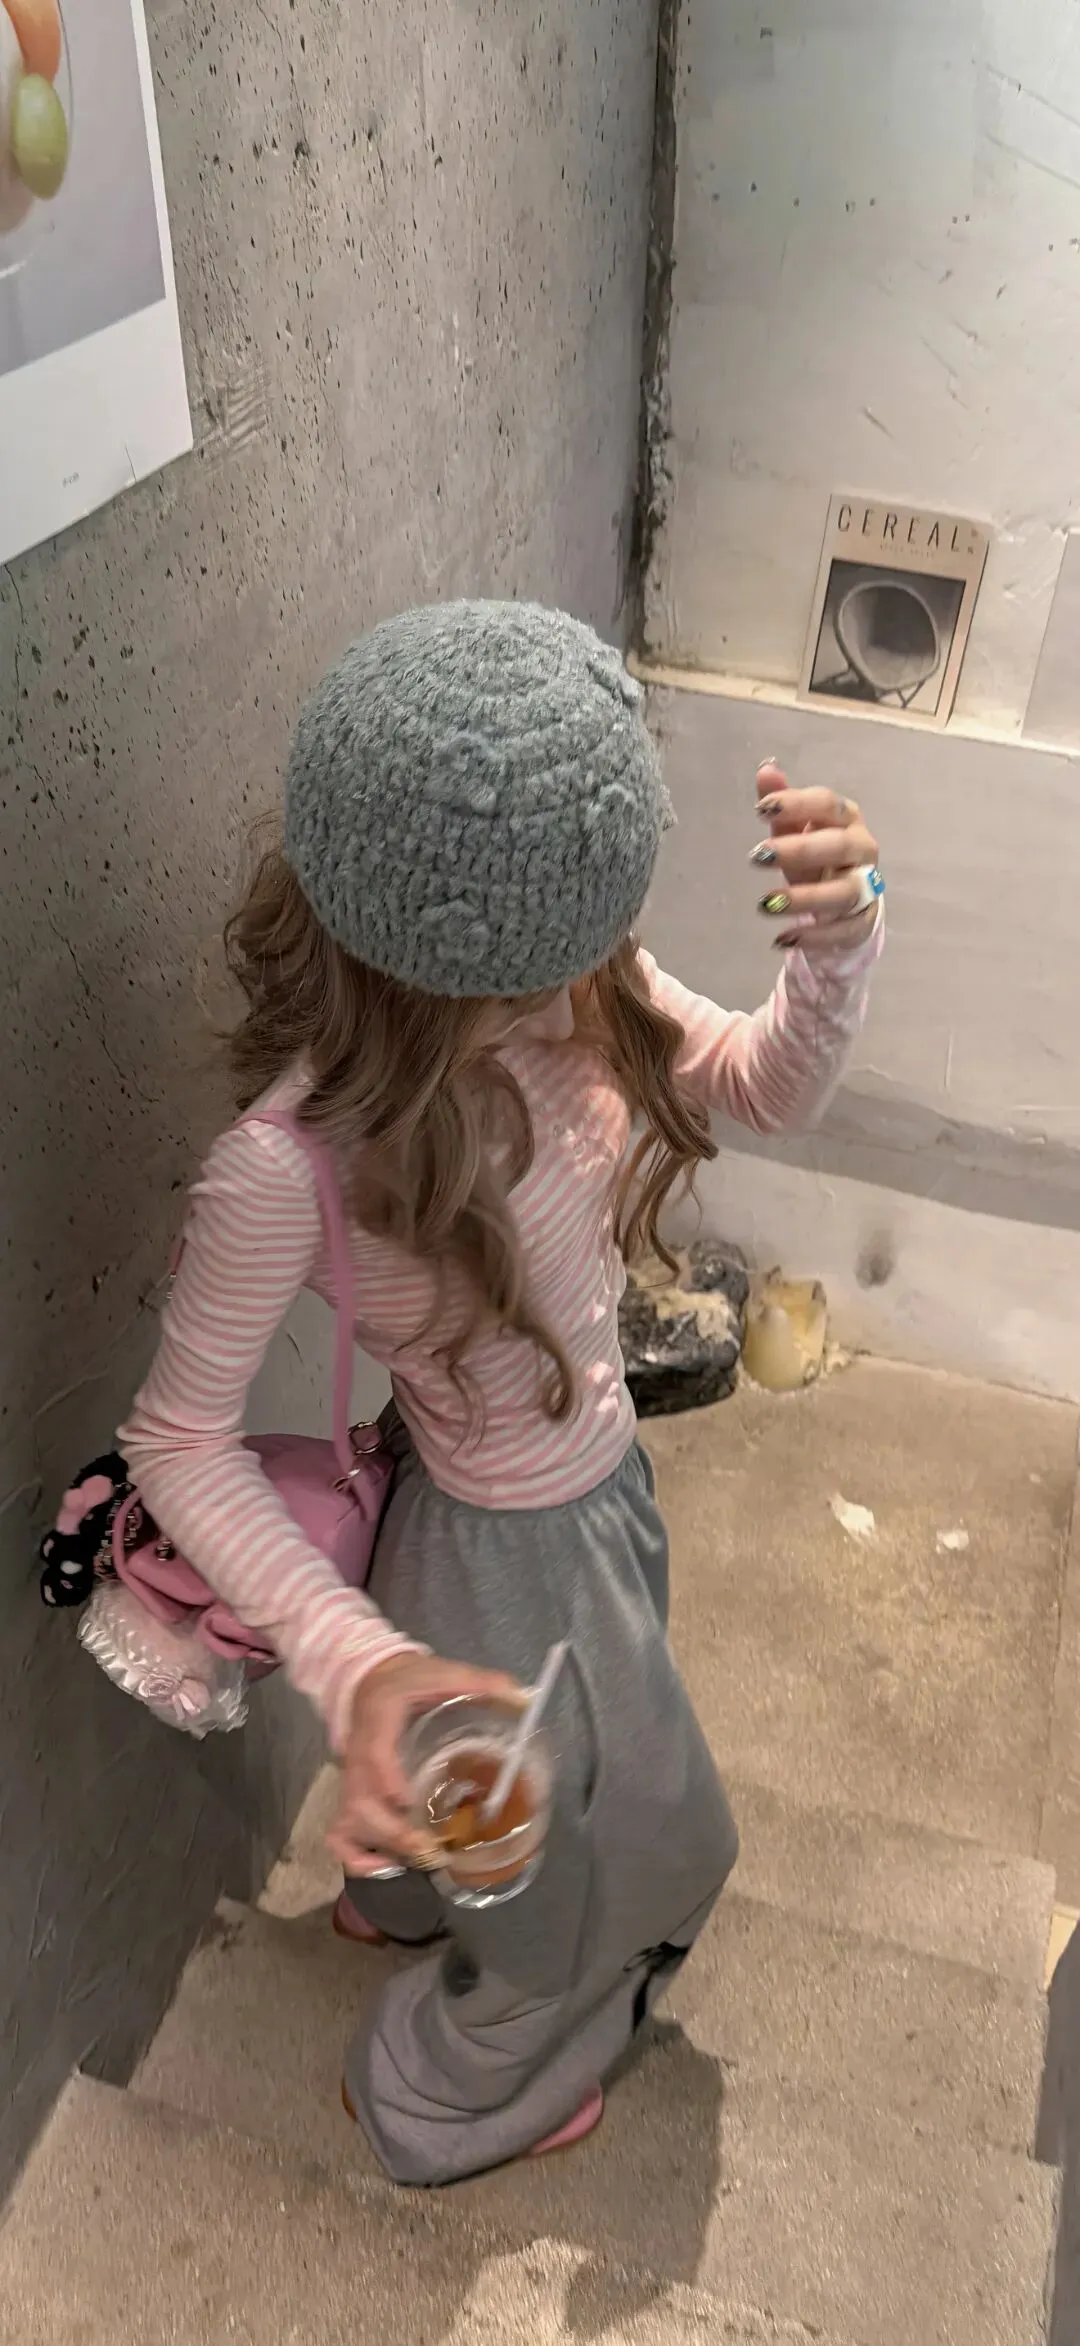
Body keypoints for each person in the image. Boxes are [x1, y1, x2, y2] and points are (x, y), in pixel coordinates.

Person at [120, 600, 883, 2186]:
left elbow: (763, 1080)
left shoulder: (582, 979)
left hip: (555, 1510)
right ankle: (459, 2083)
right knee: (616, 1850)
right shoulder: (286, 1162)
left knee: (490, 1809)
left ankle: (403, 1897)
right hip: (507, 1566)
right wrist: (351, 1655)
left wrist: (838, 946)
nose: (594, 962)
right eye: (568, 936)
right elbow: (175, 1437)